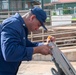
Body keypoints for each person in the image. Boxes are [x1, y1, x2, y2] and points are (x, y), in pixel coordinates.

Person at [0, 7, 55, 75]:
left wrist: (44, 45)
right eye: (38, 25)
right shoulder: (13, 25)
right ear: (32, 18)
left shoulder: (20, 26)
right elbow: (9, 53)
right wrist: (37, 50)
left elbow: (26, 44)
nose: (37, 29)